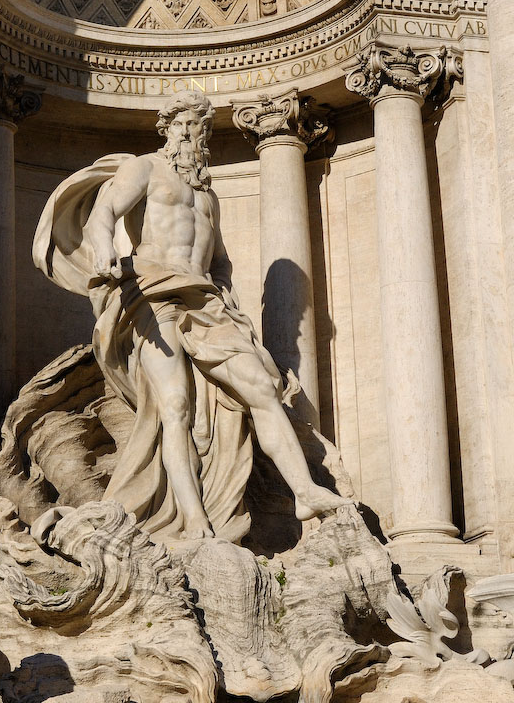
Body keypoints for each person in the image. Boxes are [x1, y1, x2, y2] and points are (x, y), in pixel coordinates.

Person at [33, 91, 352, 543]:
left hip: (205, 301)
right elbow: (105, 209)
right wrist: (105, 246)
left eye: (198, 126)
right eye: (183, 124)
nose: (190, 133)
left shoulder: (208, 195)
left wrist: (231, 305)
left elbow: (218, 260)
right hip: (154, 294)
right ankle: (193, 517)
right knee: (176, 408)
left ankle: (305, 492)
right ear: (168, 129)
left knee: (261, 387)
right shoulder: (144, 167)